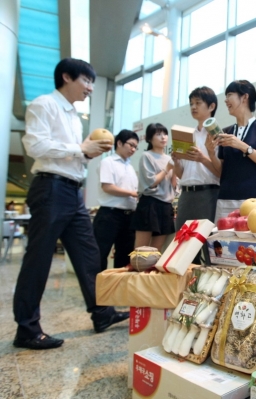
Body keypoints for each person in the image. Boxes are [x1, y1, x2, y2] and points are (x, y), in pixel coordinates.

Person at [14, 58, 129, 350]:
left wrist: (87, 153)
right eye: (86, 81)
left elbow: (71, 155)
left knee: (89, 255)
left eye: (91, 82)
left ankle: (101, 313)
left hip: (72, 192)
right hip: (50, 188)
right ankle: (26, 329)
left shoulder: (74, 117)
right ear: (66, 77)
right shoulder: (44, 105)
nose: (90, 87)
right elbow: (35, 145)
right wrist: (80, 148)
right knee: (38, 259)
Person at [206, 80, 256, 219]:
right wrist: (211, 154)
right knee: (222, 240)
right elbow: (221, 171)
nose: (226, 101)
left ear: (245, 97)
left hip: (254, 201)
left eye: (230, 95)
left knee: (253, 240)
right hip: (225, 199)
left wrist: (242, 146)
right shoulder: (226, 131)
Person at [172, 87, 220, 262]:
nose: (193, 107)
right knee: (183, 246)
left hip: (208, 193)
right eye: (191, 103)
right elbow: (181, 173)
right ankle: (183, 285)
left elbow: (221, 172)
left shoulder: (217, 135)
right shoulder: (186, 136)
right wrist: (176, 162)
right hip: (186, 195)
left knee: (207, 244)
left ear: (211, 106)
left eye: (198, 103)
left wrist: (202, 158)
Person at [93, 129, 139, 271]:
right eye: (131, 145)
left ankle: (117, 289)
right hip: (109, 215)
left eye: (135, 147)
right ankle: (97, 290)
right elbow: (108, 187)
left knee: (124, 257)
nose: (133, 149)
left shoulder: (130, 167)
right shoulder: (108, 162)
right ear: (119, 143)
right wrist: (132, 193)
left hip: (129, 217)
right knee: (100, 254)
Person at [131, 123, 177, 250]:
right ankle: (137, 269)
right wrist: (168, 167)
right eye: (158, 134)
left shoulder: (168, 158)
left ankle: (151, 270)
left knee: (156, 251)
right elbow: (152, 182)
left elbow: (174, 185)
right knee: (141, 251)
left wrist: (176, 164)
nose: (163, 137)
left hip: (166, 206)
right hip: (149, 204)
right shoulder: (147, 156)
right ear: (149, 139)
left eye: (165, 134)